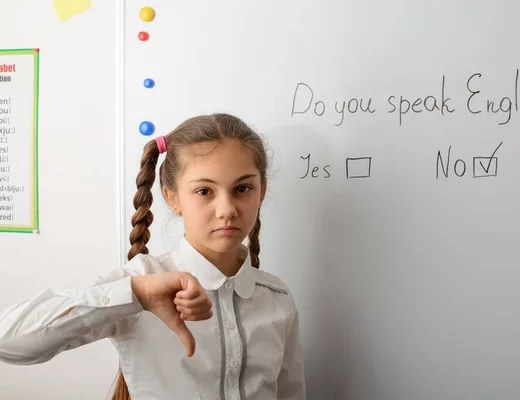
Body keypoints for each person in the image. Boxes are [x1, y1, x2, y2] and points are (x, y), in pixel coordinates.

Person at [0, 114, 306, 400]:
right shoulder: (140, 281)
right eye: (204, 191)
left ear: (261, 191)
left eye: (242, 188)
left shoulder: (277, 298)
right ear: (172, 197)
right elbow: (8, 342)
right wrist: (137, 294)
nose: (226, 209)